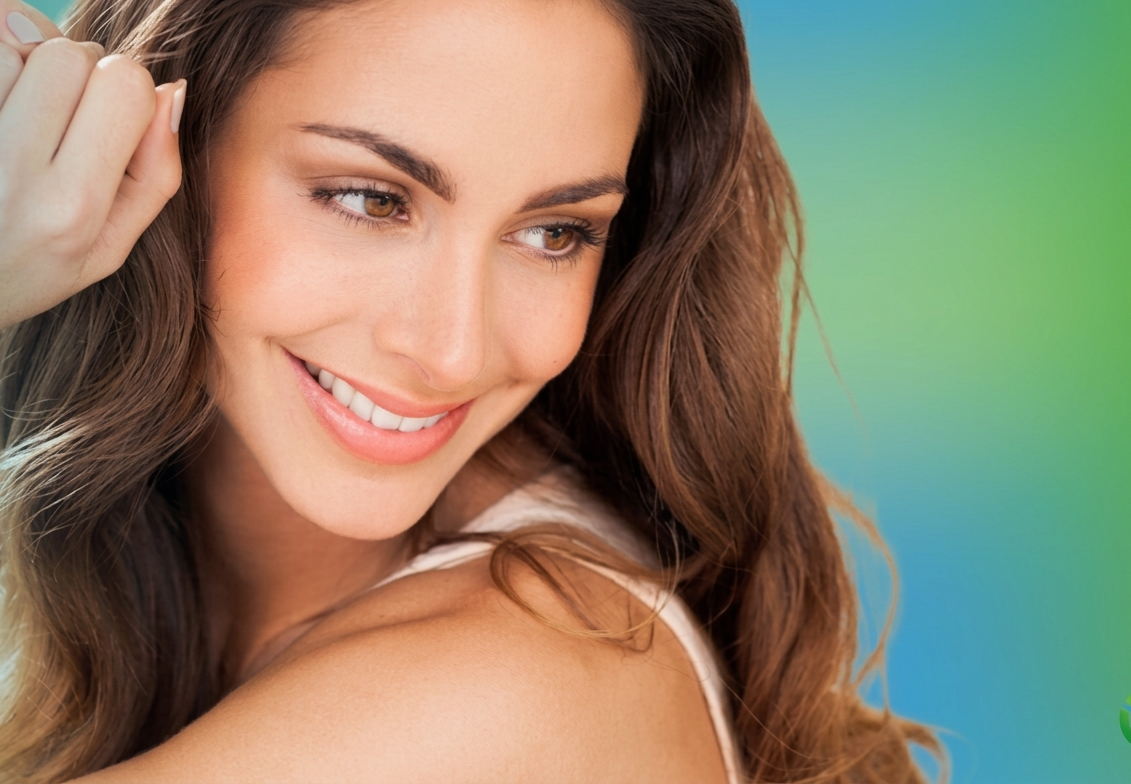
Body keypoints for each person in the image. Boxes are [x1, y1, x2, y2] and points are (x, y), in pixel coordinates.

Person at [0, 0, 943, 780]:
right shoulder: (128, 538)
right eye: (372, 199)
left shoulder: (518, 683)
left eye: (555, 232)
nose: (452, 352)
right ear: (156, 141)